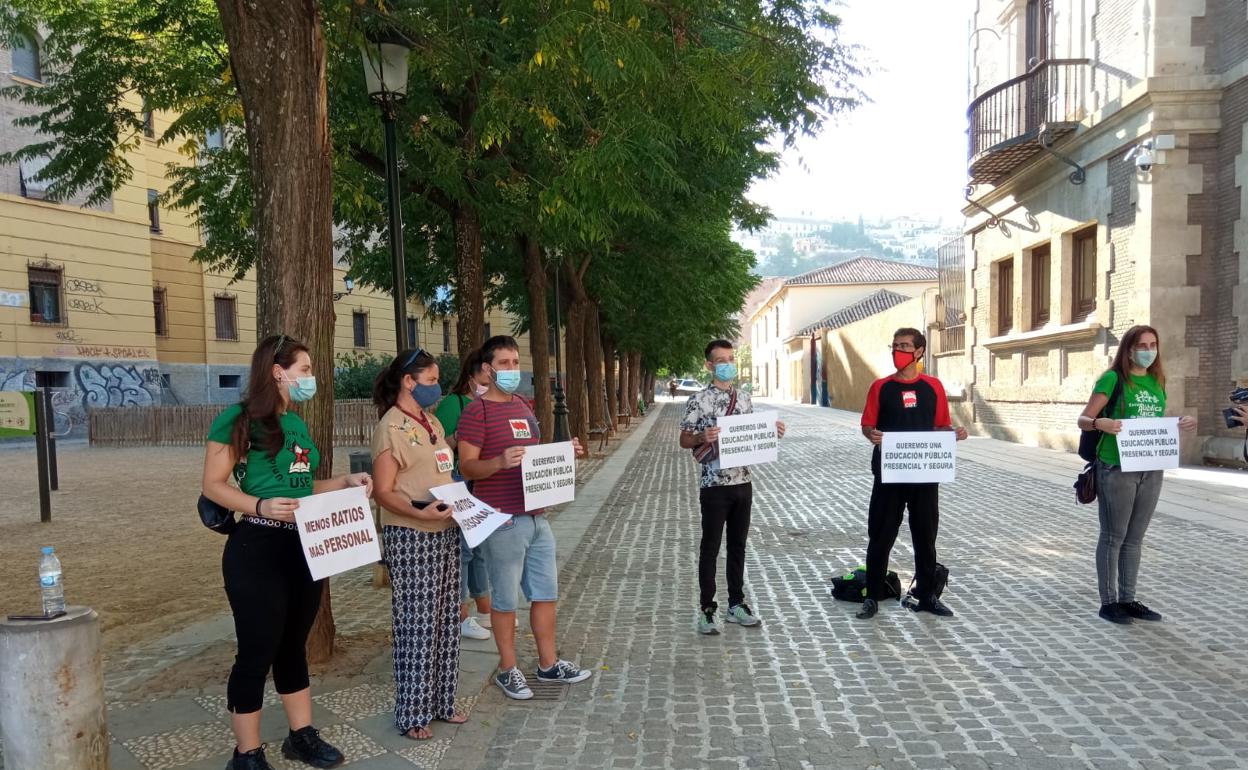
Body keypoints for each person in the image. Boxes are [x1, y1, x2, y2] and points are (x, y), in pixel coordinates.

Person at [203, 334, 372, 770]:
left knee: (293, 645)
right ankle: (247, 754)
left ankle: (301, 736)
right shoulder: (236, 420)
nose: (310, 378)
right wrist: (259, 506)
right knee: (256, 650)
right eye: (306, 369)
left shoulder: (295, 423)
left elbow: (302, 489)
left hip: (306, 544)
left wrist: (344, 484)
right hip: (257, 546)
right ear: (277, 372)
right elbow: (213, 486)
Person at [456, 335, 592, 699]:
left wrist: (565, 453)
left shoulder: (522, 405)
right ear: (487, 369)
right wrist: (498, 462)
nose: (512, 369)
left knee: (546, 594)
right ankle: (507, 668)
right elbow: (466, 465)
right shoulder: (476, 411)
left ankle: (548, 664)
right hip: (501, 519)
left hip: (536, 517)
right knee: (504, 600)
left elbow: (534, 457)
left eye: (515, 362)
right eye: (503, 363)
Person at [370, 347, 468, 740]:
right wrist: (419, 512)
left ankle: (442, 702)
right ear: (408, 382)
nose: (437, 387)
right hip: (412, 535)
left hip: (446, 530)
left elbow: (444, 471)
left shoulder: (429, 422)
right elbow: (383, 491)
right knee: (417, 624)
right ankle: (412, 712)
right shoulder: (390, 427)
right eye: (430, 381)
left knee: (446, 619)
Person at [1077, 325, 1196, 624]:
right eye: (1141, 345)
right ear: (1129, 349)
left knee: (1135, 537)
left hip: (1150, 466)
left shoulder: (1157, 380)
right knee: (1113, 535)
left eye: (1153, 344)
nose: (1148, 350)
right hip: (1116, 466)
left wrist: (1180, 422)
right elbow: (1084, 419)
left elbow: (1152, 420)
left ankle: (1128, 599)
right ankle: (1109, 602)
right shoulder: (1113, 378)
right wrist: (1100, 423)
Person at [857, 328, 967, 621]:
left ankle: (927, 595)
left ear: (919, 351)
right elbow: (867, 425)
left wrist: (954, 434)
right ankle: (872, 596)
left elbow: (941, 426)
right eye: (895, 346)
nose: (898, 351)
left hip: (924, 475)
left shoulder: (933, 387)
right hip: (889, 475)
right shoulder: (880, 387)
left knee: (925, 536)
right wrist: (873, 435)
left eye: (905, 346)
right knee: (880, 536)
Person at [679, 339, 786, 635]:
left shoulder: (745, 399)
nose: (727, 364)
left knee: (738, 545)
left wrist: (772, 432)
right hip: (714, 484)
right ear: (709, 365)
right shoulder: (698, 401)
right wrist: (704, 436)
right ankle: (707, 609)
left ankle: (736, 604)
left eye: (731, 358)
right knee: (710, 547)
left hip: (743, 483)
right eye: (721, 360)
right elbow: (684, 439)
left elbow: (753, 434)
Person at [434, 348, 496, 641]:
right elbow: (439, 446)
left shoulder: (492, 405)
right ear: (471, 377)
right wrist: (463, 435)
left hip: (483, 481)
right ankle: (461, 615)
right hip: (459, 480)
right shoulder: (453, 404)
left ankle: (485, 609)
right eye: (486, 373)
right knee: (464, 549)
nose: (490, 378)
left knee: (481, 546)